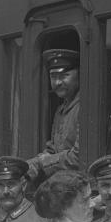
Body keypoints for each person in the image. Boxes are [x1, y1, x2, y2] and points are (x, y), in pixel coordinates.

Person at [27, 47, 81, 180]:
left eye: (64, 76)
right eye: (53, 76)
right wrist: (28, 166)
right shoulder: (60, 110)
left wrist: (43, 162)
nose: (57, 82)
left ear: (79, 75)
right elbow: (52, 150)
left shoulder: (83, 109)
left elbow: (78, 156)